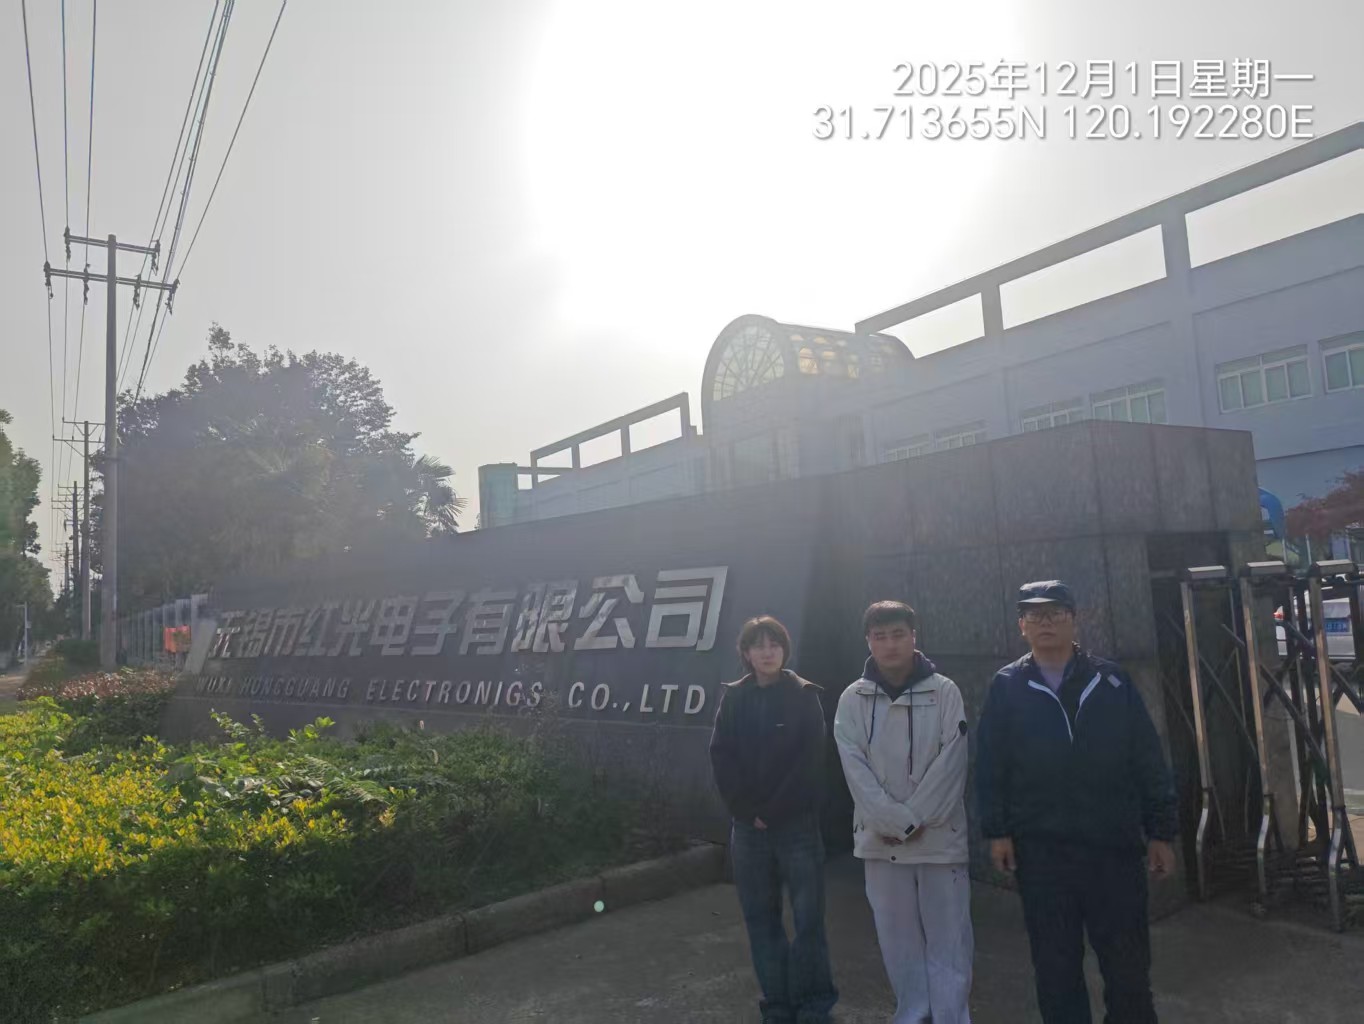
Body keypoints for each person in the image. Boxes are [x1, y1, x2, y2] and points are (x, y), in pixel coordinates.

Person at [974, 580, 1179, 1024]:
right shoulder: (1007, 685)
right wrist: (997, 831)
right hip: (1043, 852)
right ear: (1022, 626)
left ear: (1074, 620)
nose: (1045, 622)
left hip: (1113, 848)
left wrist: (1161, 831)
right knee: (1056, 969)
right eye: (1035, 615)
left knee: (1128, 968)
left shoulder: (1112, 681)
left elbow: (1146, 757)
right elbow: (991, 764)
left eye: (1056, 613)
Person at [833, 600, 973, 1024]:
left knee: (949, 938)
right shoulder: (853, 698)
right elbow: (853, 768)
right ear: (868, 642)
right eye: (880, 636)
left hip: (938, 838)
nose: (890, 644)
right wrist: (892, 821)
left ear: (914, 636)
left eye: (898, 635)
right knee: (896, 937)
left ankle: (951, 1016)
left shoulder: (944, 691)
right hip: (881, 841)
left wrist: (909, 821)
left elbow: (952, 764)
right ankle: (913, 1013)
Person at [709, 615, 838, 1024]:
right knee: (761, 920)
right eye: (758, 645)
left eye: (775, 644)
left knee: (808, 921)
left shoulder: (803, 696)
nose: (767, 652)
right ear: (746, 653)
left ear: (785, 650)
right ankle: (778, 1005)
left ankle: (813, 1005)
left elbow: (810, 762)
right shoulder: (734, 698)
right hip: (748, 831)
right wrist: (748, 811)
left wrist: (773, 811)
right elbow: (721, 756)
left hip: (796, 827)